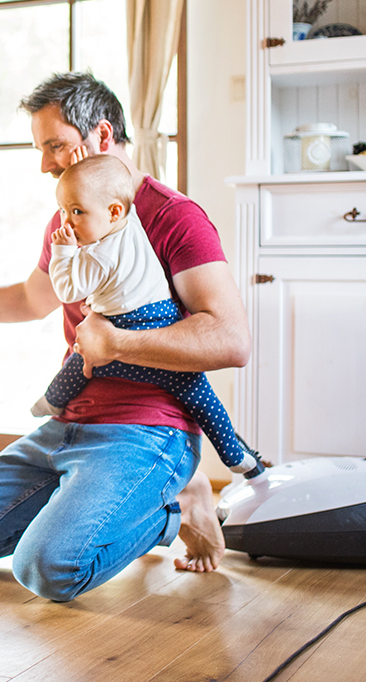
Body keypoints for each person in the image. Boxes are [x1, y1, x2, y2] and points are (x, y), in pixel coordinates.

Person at [0, 72, 249, 598]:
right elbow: (29, 300)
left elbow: (230, 339)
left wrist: (120, 343)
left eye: (54, 145)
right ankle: (98, 500)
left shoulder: (175, 218)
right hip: (69, 422)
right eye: (40, 149)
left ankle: (178, 502)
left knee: (48, 570)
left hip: (147, 427)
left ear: (102, 136)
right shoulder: (70, 218)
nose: (44, 164)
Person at [31, 154, 257, 476]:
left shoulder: (98, 256)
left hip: (125, 330)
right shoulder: (131, 220)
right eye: (64, 211)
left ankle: (52, 401)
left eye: (76, 212)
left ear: (113, 211)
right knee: (200, 397)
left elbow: (68, 290)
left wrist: (63, 252)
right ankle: (236, 456)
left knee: (81, 364)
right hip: (161, 316)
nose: (65, 223)